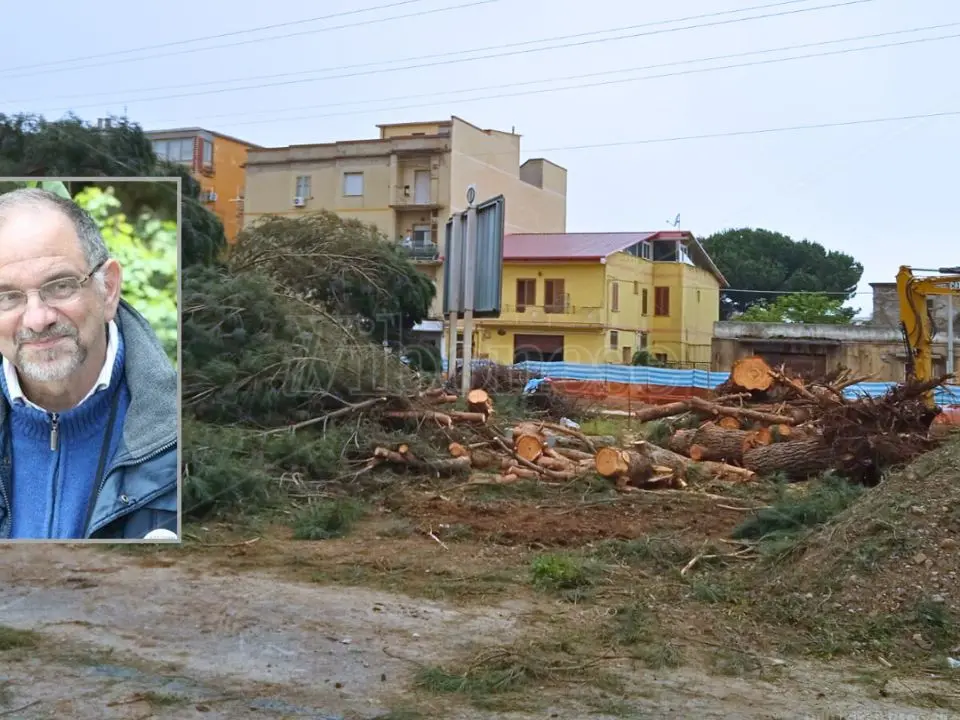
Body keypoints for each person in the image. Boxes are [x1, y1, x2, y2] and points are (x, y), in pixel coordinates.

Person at [0, 188, 178, 540]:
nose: (37, 319)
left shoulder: (175, 440)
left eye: (60, 285)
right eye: (7, 296)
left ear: (108, 288)